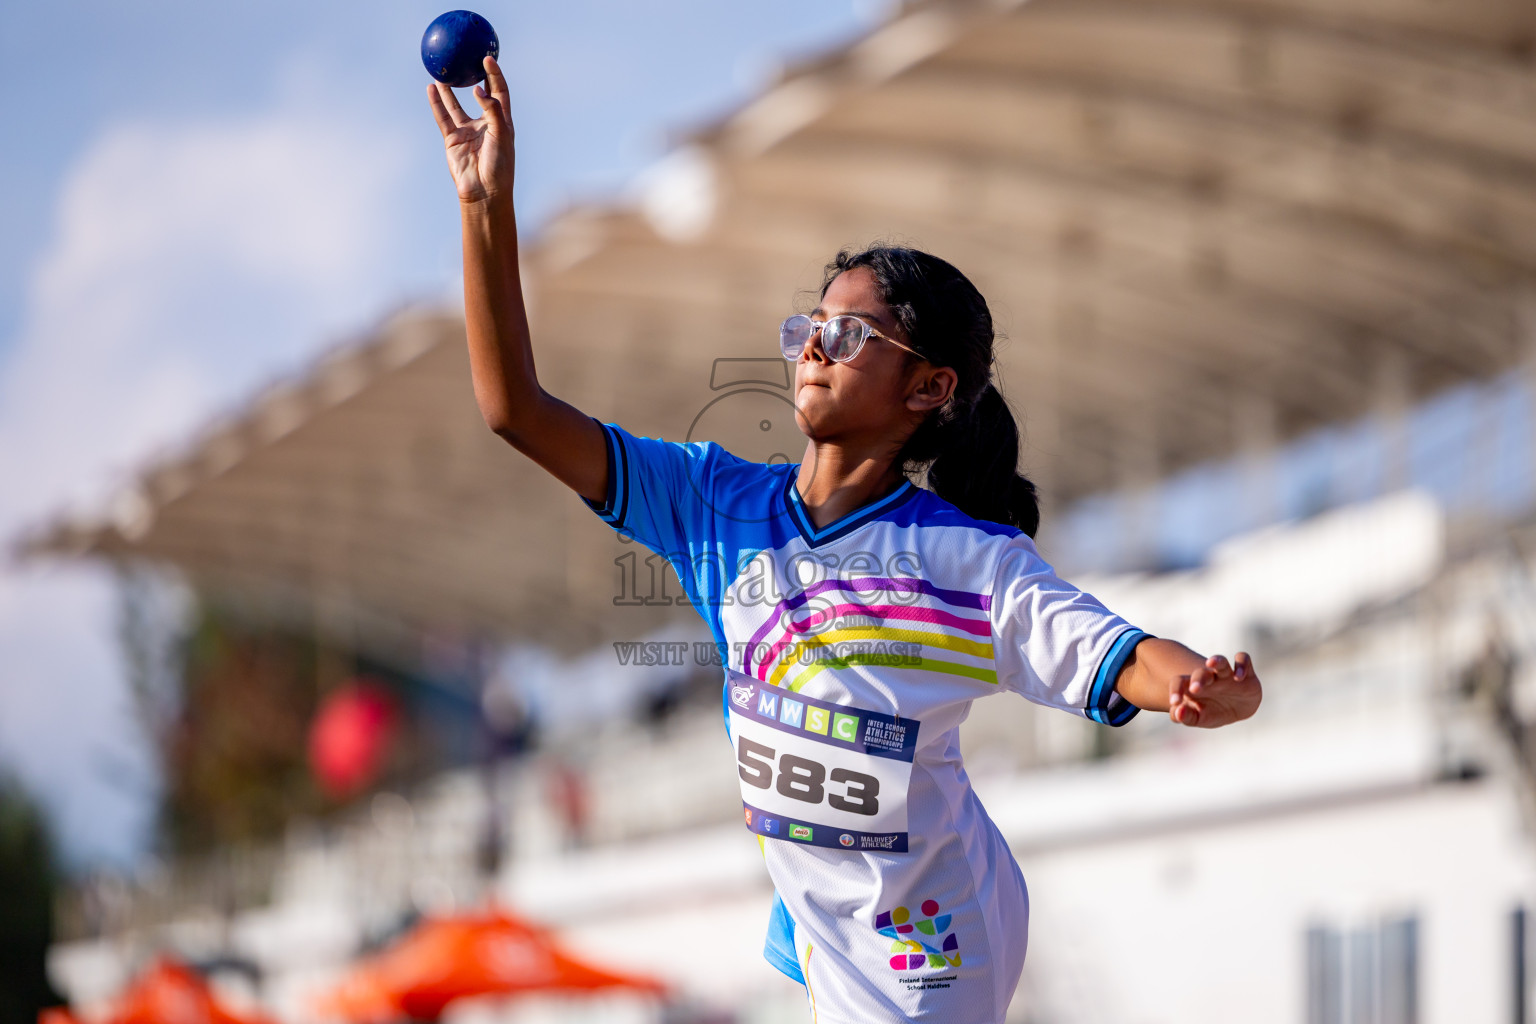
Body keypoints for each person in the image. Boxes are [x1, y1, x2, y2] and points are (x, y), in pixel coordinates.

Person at [428, 58, 1262, 1024]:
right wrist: (484, 207)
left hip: (941, 941)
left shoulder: (968, 564)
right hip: (822, 943)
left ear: (930, 388)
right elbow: (514, 411)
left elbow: (1115, 654)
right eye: (808, 327)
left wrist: (1200, 684)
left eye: (851, 335)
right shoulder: (711, 506)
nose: (814, 347)